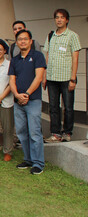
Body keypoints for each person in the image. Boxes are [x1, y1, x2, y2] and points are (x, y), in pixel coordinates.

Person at [9, 29, 46, 175]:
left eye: (25, 39)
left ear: (30, 41)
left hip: (33, 100)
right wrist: (17, 95)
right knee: (22, 132)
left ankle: (38, 163)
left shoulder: (38, 56)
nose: (22, 41)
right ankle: (28, 159)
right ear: (17, 43)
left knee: (35, 132)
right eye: (20, 39)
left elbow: (38, 77)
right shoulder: (15, 60)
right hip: (18, 101)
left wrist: (27, 94)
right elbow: (12, 80)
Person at [42, 8, 81, 142]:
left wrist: (73, 78)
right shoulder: (50, 36)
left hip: (66, 78)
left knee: (68, 107)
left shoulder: (72, 36)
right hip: (52, 78)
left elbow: (75, 58)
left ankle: (67, 132)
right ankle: (55, 133)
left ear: (67, 20)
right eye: (57, 17)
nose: (59, 20)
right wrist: (44, 76)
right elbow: (47, 56)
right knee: (53, 107)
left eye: (62, 17)